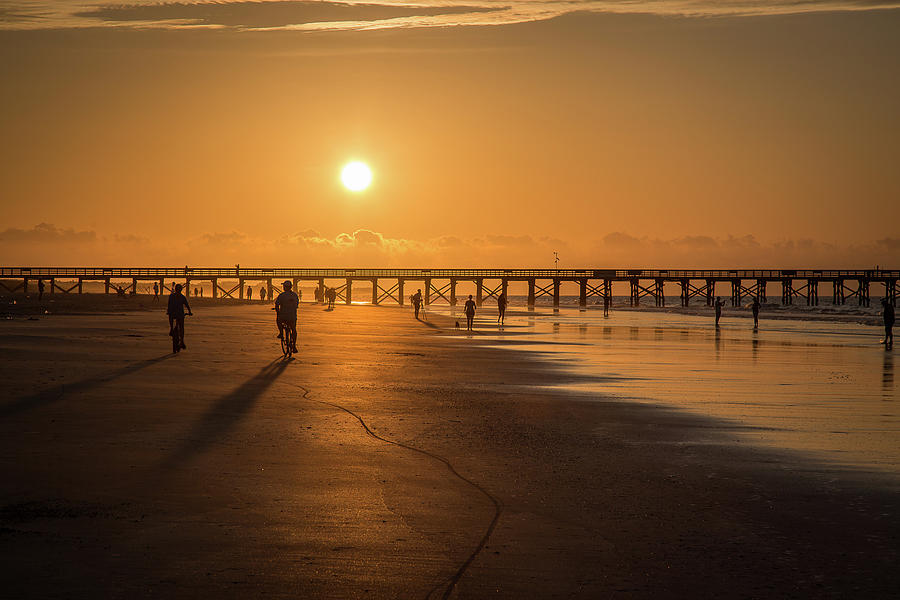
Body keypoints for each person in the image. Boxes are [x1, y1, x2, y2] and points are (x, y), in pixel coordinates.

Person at [274, 280, 299, 353]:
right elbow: (296, 305)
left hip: (283, 316)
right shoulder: (295, 295)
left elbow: (277, 305)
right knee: (294, 329)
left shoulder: (282, 295)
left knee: (278, 320)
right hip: (292, 316)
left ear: (284, 287)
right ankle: (294, 346)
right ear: (291, 287)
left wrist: (278, 312)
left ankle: (281, 333)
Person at [167, 283, 192, 352]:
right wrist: (189, 312)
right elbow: (187, 305)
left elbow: (169, 305)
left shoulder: (171, 296)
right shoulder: (182, 297)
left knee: (171, 319)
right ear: (181, 290)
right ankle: (182, 341)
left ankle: (171, 329)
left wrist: (168, 311)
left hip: (172, 313)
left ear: (175, 289)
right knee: (181, 328)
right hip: (180, 314)